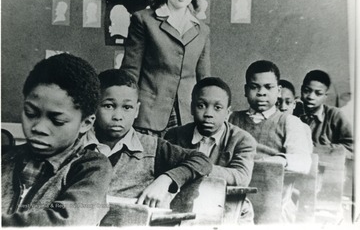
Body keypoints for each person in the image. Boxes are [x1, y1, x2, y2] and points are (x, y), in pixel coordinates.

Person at [1, 53, 112, 226]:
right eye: (31, 113)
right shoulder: (5, 159)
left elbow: (69, 223)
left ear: (85, 123)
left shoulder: (92, 168)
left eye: (57, 120)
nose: (38, 127)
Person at [84, 69, 212, 212]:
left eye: (127, 107)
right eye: (108, 106)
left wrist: (166, 179)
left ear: (137, 110)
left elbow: (202, 160)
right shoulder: (77, 144)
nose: (118, 116)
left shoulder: (152, 147)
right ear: (94, 106)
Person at [120, 0, 211, 137]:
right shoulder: (143, 20)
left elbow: (204, 79)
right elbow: (131, 71)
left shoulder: (202, 30)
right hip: (149, 114)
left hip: (187, 116)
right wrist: (126, 108)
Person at [164, 77, 257, 223]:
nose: (208, 113)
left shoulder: (242, 140)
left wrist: (194, 169)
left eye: (217, 108)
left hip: (229, 209)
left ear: (228, 113)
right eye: (201, 106)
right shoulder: (175, 135)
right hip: (182, 204)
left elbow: (241, 177)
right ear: (191, 108)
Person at [229, 60, 312, 223]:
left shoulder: (289, 122)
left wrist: (275, 161)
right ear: (246, 90)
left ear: (278, 90)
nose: (261, 93)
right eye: (254, 87)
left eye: (268, 87)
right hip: (234, 202)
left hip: (274, 204)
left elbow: (303, 162)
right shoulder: (231, 119)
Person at [300, 70, 353, 158]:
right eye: (306, 91)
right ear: (301, 90)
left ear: (325, 96)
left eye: (318, 93)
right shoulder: (292, 111)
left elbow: (353, 147)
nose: (311, 97)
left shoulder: (335, 115)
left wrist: (328, 148)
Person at [277, 79, 313, 152]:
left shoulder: (303, 128)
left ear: (294, 104)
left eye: (288, 102)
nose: (283, 107)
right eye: (278, 103)